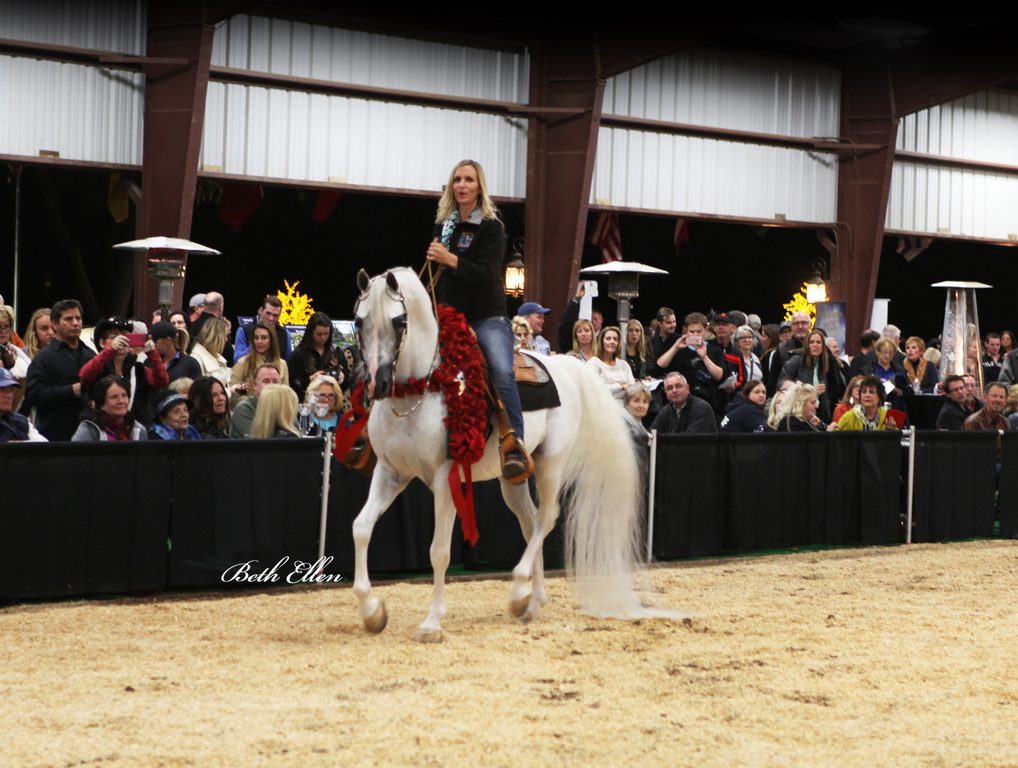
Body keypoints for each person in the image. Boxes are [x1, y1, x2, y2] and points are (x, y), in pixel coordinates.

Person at [426, 160, 529, 479]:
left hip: (487, 317)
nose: (462, 185)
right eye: (457, 179)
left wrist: (450, 259)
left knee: (501, 370)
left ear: (479, 186)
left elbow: (488, 275)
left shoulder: (491, 226)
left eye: (468, 179)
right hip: (450, 315)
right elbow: (441, 276)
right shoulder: (444, 226)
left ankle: (515, 443)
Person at [24, 300, 96, 441]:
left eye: (78, 318)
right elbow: (33, 394)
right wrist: (70, 391)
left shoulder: (91, 355)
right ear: (55, 324)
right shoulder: (44, 357)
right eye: (68, 319)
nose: (75, 323)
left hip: (88, 437)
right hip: (54, 438)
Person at [78, 316, 168, 428]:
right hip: (100, 428)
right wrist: (111, 350)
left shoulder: (138, 369)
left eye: (125, 336)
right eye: (114, 336)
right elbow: (84, 376)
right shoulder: (96, 366)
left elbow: (161, 381)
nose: (121, 340)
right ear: (102, 342)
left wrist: (152, 353)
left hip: (132, 429)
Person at [653, 312, 727, 417]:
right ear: (686, 330)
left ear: (706, 330)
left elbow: (719, 376)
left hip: (708, 402)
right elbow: (658, 367)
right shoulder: (678, 349)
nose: (695, 335)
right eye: (692, 332)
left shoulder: (715, 350)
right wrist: (676, 347)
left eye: (699, 331)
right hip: (681, 403)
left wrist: (704, 357)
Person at [778, 329, 844, 423]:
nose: (815, 345)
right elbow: (781, 384)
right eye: (811, 342)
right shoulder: (797, 359)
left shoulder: (823, 363)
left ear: (823, 346)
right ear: (806, 345)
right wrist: (809, 390)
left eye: (818, 342)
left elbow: (833, 387)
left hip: (819, 412)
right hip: (798, 413)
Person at [287, 311, 347, 403]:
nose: (323, 338)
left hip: (332, 404)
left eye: (326, 334)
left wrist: (342, 378)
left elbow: (348, 381)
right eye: (319, 334)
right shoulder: (298, 354)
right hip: (307, 404)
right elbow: (291, 384)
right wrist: (310, 379)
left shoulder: (336, 352)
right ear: (311, 333)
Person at [71, 375, 147, 441]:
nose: (121, 401)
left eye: (124, 396)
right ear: (101, 403)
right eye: (114, 397)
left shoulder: (138, 430)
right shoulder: (90, 429)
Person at [231, 321, 289, 406]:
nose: (259, 341)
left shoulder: (282, 364)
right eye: (256, 337)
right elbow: (232, 395)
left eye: (264, 338)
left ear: (272, 340)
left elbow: (286, 395)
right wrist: (255, 403)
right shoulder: (243, 362)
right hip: (250, 411)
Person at [651, 372, 718, 434]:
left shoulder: (702, 408)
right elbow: (652, 434)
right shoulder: (665, 411)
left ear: (687, 389)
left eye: (678, 386)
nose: (674, 390)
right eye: (670, 388)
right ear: (666, 394)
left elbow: (690, 438)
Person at [233, 295, 291, 364]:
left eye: (275, 315)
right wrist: (255, 346)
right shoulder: (244, 330)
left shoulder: (284, 333)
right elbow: (237, 360)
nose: (271, 318)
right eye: (268, 313)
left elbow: (288, 362)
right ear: (261, 310)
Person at [230, 363, 282, 438]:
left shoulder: (284, 407)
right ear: (255, 385)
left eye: (275, 381)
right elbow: (258, 440)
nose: (271, 385)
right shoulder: (244, 409)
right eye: (266, 381)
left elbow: (295, 435)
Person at [588, 326, 634, 401]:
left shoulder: (624, 365)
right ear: (602, 341)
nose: (612, 342)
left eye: (615, 339)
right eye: (608, 339)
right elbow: (595, 390)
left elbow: (632, 390)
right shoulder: (593, 363)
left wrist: (611, 391)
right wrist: (622, 387)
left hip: (624, 405)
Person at [0, 368, 45, 442]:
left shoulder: (20, 421)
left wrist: (19, 445)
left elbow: (43, 445)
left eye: (11, 390)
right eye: (2, 390)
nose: (9, 396)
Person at [150, 321, 201, 385]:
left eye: (154, 341)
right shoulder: (150, 361)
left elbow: (197, 388)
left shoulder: (190, 364)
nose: (152, 344)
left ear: (168, 340)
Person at [188, 291, 233, 363]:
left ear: (204, 306)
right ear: (220, 307)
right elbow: (229, 357)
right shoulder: (219, 329)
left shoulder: (192, 326)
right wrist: (227, 332)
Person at [190, 316, 231, 389]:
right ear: (216, 336)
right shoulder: (196, 358)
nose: (226, 339)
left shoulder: (217, 356)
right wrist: (228, 392)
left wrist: (233, 390)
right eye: (225, 336)